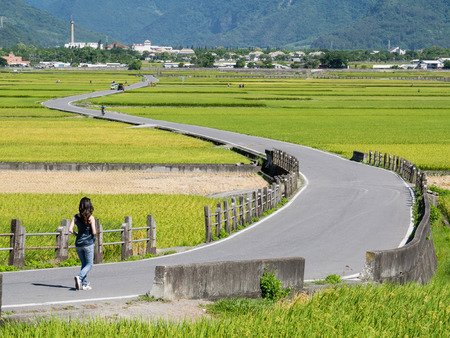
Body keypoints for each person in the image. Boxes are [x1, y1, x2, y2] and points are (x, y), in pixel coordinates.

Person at [69, 197, 97, 291]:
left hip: (78, 244)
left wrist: (77, 234)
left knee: (84, 264)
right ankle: (79, 277)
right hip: (88, 244)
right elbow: (94, 232)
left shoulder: (76, 217)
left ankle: (84, 284)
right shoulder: (91, 217)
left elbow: (70, 229)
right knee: (89, 264)